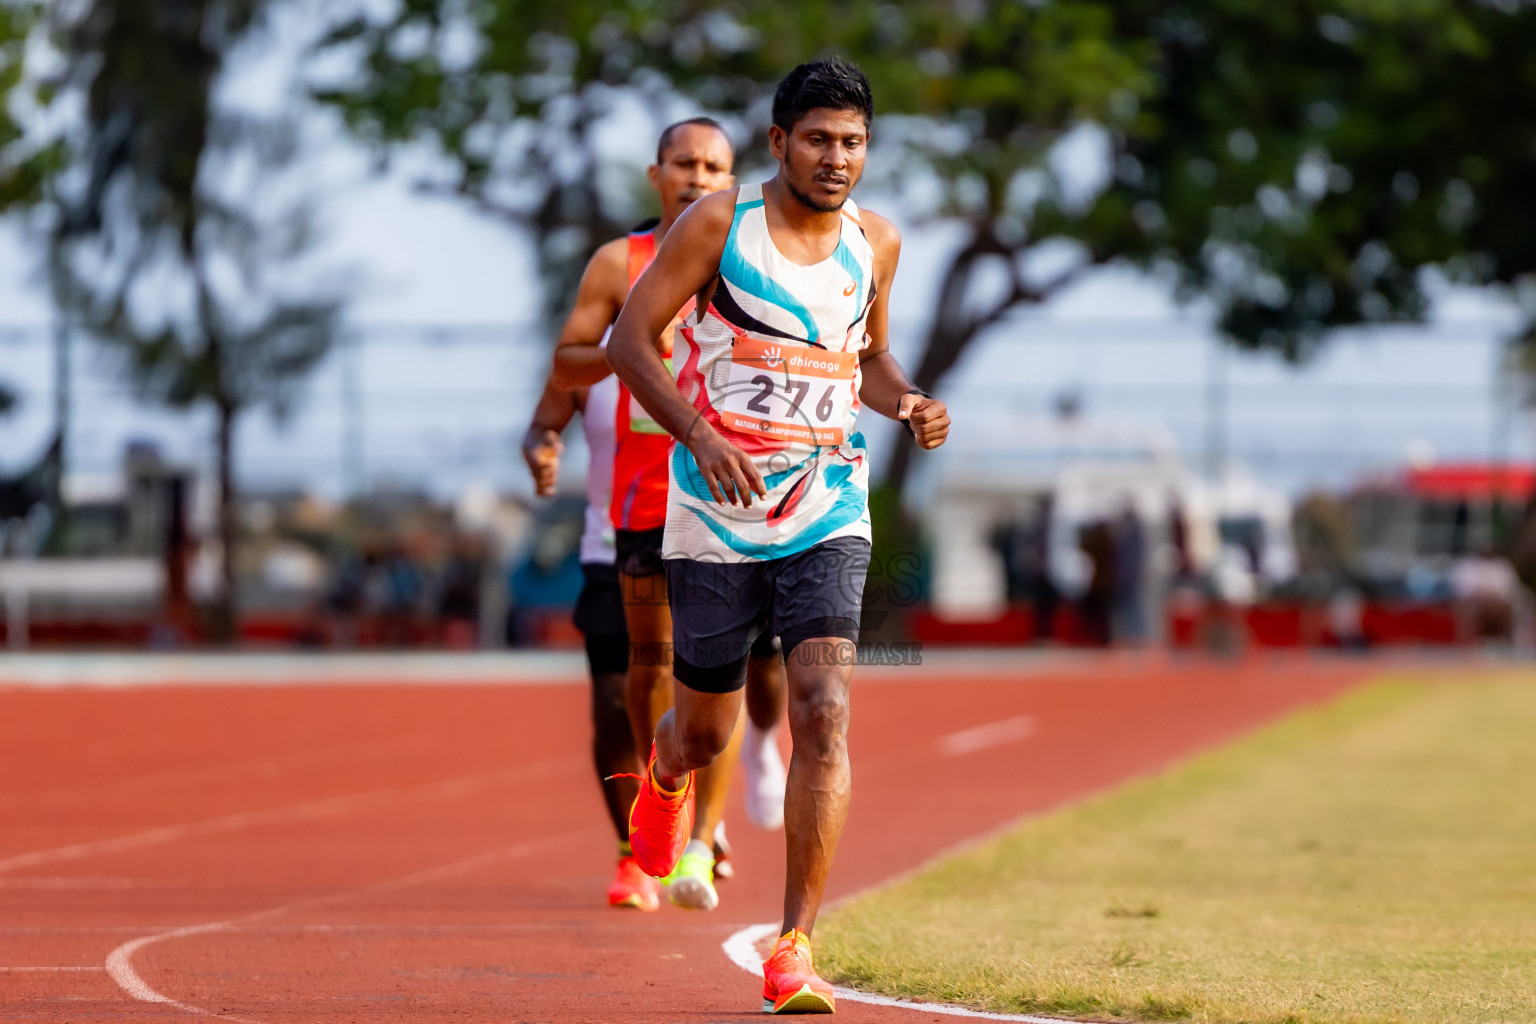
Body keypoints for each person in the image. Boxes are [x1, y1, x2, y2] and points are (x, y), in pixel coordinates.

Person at [607, 58, 950, 1014]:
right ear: (778, 144)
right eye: (818, 140)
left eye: (853, 143)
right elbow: (627, 342)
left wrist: (910, 401)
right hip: (715, 513)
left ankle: (794, 945)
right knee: (707, 729)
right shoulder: (720, 225)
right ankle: (666, 781)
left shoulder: (877, 243)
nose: (837, 159)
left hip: (829, 509)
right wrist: (700, 433)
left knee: (823, 709)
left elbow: (869, 362)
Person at [548, 118, 789, 911]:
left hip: (730, 503)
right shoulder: (623, 263)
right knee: (634, 682)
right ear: (657, 175)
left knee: (729, 674)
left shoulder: (753, 262)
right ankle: (642, 841)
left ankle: (708, 824)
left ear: (731, 179)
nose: (696, 176)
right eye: (683, 163)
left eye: (713, 166)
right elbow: (569, 362)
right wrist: (638, 339)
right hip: (633, 512)